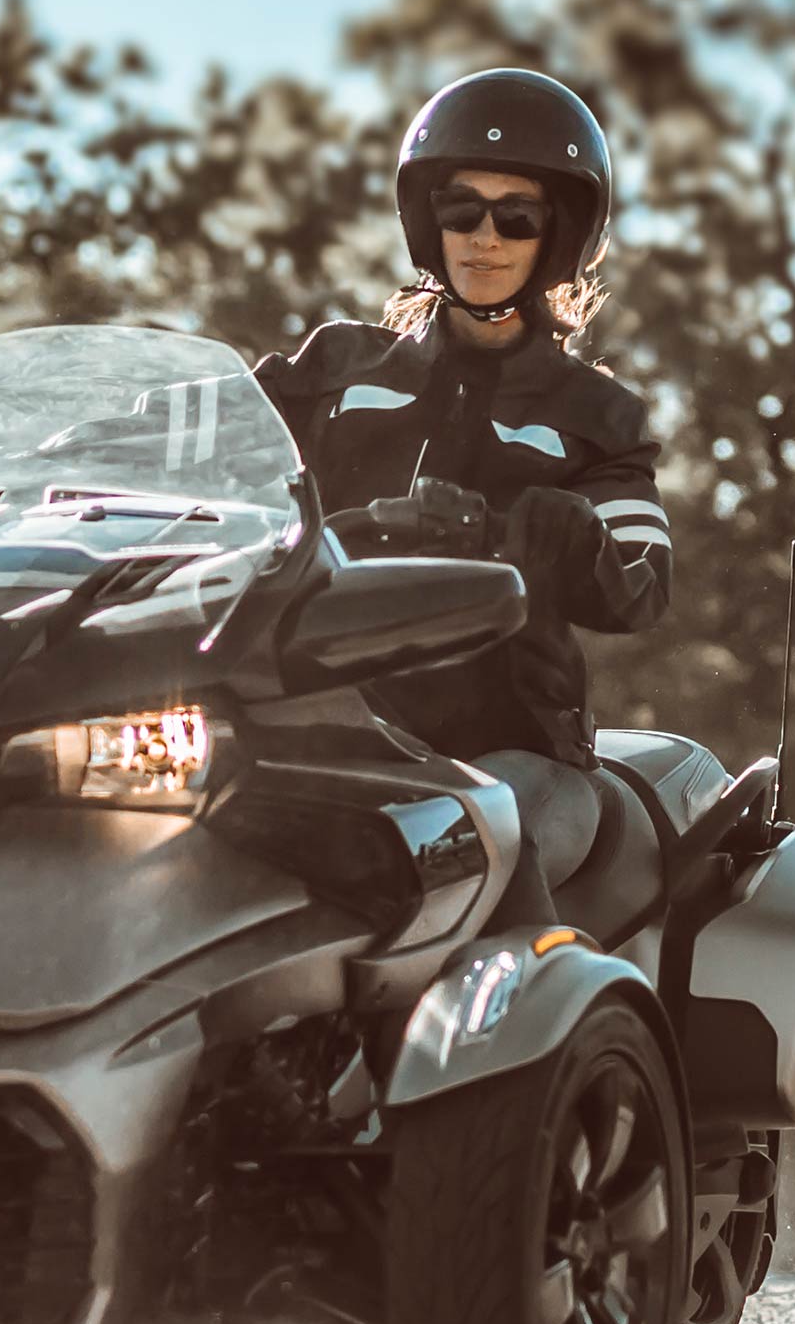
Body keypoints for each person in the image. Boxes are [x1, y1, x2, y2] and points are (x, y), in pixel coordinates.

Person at [251, 68, 672, 918]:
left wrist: (571, 535)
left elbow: (645, 583)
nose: (485, 237)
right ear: (425, 219)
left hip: (506, 753)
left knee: (459, 861)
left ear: (556, 237)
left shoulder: (596, 413)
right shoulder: (335, 369)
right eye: (461, 209)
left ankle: (528, 1041)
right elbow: (220, 442)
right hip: (317, 722)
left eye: (516, 216)